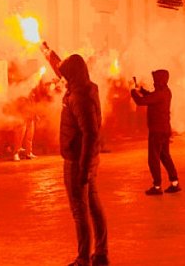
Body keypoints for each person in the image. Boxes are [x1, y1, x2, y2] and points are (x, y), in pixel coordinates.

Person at [41, 43, 108, 266]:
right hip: (85, 158)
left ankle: (84, 258)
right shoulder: (86, 87)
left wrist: (83, 167)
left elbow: (90, 133)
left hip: (78, 159)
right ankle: (100, 253)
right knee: (93, 206)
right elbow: (62, 70)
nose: (62, 76)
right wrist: (47, 51)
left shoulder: (79, 97)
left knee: (80, 211)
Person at [131, 69, 181, 195]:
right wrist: (141, 90)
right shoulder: (165, 92)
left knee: (153, 159)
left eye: (155, 80)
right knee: (165, 156)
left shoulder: (160, 94)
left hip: (157, 131)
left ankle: (157, 186)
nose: (154, 82)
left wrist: (133, 92)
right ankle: (174, 182)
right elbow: (151, 97)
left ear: (160, 80)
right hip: (164, 130)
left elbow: (141, 101)